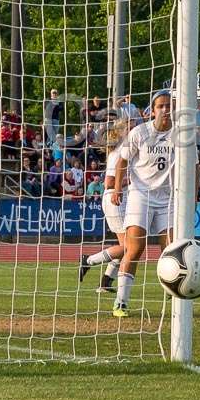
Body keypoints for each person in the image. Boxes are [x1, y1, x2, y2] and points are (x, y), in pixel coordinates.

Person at [109, 91, 176, 317]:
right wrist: (118, 188)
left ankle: (174, 293)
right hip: (141, 195)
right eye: (160, 106)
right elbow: (122, 162)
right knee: (135, 248)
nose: (165, 110)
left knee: (172, 249)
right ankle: (121, 302)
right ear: (152, 110)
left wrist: (193, 196)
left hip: (168, 198)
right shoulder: (139, 132)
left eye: (169, 105)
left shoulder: (182, 134)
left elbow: (194, 167)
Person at [80, 119, 132, 293]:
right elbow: (109, 182)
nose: (132, 131)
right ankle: (88, 260)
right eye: (128, 128)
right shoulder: (117, 153)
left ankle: (105, 282)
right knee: (128, 247)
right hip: (114, 200)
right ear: (120, 133)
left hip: (120, 200)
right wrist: (131, 181)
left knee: (126, 246)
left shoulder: (123, 151)